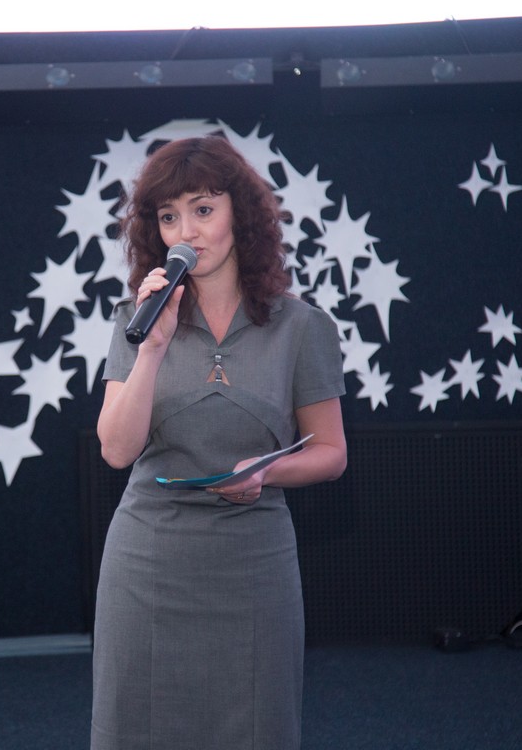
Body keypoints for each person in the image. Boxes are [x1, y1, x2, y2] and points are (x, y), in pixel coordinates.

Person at [91, 134, 349, 750]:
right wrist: (153, 347)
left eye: (203, 209)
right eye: (169, 216)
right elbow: (117, 451)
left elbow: (332, 453)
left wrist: (265, 474)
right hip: (148, 562)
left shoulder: (301, 326)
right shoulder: (137, 319)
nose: (187, 231)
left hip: (254, 565)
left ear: (242, 215)